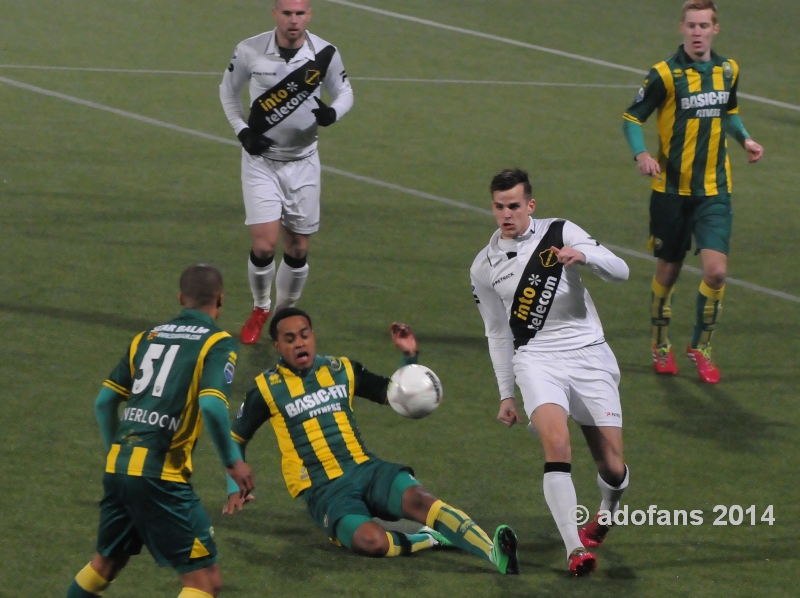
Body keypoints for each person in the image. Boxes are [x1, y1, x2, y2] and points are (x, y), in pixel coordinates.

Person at [222, 307, 520, 575]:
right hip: (325, 490)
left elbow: (396, 394)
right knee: (371, 541)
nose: (299, 343)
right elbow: (235, 437)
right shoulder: (265, 388)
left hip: (366, 469)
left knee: (421, 500)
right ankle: (428, 538)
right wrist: (234, 487)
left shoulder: (342, 369)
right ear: (277, 346)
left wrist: (409, 356)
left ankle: (494, 553)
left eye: (304, 335)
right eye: (289, 339)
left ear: (313, 336)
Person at [470, 169, 631, 576]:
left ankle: (605, 517)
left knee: (612, 468)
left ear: (530, 205)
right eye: (499, 206)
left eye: (514, 206)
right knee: (557, 446)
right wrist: (506, 393)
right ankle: (575, 549)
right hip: (537, 359)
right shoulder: (483, 266)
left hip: (589, 355)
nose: (506, 214)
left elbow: (621, 270)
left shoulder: (560, 231)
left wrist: (585, 256)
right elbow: (496, 332)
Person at [66, 265, 255, 598]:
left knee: (105, 566)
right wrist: (232, 463)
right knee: (205, 582)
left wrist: (117, 454)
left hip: (119, 466)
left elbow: (104, 403)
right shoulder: (217, 342)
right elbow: (211, 405)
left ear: (181, 298)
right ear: (222, 299)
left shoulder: (146, 337)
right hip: (160, 476)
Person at [622, 0, 764, 383]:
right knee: (668, 272)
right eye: (691, 25)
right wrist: (641, 153)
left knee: (716, 272)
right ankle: (660, 342)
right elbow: (633, 116)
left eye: (704, 25)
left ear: (715, 29)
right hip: (670, 191)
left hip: (715, 190)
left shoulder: (728, 70)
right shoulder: (664, 75)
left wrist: (745, 139)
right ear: (681, 29)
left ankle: (701, 347)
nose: (698, 32)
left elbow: (728, 112)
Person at [219, 0, 354, 345]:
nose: (294, 21)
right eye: (287, 13)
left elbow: (344, 91)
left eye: (300, 14)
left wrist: (332, 114)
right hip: (261, 163)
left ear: (309, 15)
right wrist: (242, 131)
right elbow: (228, 91)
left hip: (304, 163)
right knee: (264, 246)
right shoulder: (249, 50)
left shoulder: (325, 53)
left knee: (297, 248)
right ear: (275, 14)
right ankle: (261, 307)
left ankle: (284, 312)